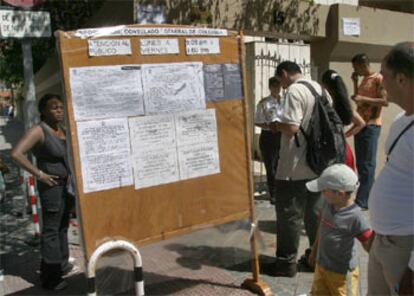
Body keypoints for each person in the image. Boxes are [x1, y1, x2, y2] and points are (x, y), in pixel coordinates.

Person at [264, 61, 324, 277]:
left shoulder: (295, 91)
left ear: (284, 74)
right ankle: (316, 259)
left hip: (294, 165)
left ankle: (286, 264)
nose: (281, 85)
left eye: (280, 81)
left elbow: (291, 127)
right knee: (315, 214)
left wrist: (273, 126)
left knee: (289, 216)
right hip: (317, 164)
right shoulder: (318, 89)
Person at [11, 94, 75, 290]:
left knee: (63, 227)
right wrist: (40, 174)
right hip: (52, 189)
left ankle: (61, 266)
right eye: (54, 107)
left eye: (61, 107)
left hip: (66, 187)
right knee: (51, 232)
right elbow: (16, 154)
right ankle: (50, 278)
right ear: (44, 111)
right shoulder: (39, 131)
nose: (59, 111)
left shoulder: (60, 129)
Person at [367, 42, 414, 296]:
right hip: (383, 240)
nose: (380, 80)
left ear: (402, 79)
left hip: (405, 248)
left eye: (383, 73)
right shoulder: (401, 120)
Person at [306, 164, 373, 295]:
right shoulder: (328, 204)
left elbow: (368, 243)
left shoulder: (355, 217)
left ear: (340, 194)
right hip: (322, 266)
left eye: (324, 190)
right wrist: (314, 251)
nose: (322, 193)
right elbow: (322, 228)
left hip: (342, 274)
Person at [351, 54, 388, 209]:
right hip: (361, 123)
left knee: (367, 164)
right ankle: (368, 198)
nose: (355, 70)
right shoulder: (364, 80)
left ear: (362, 65)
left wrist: (364, 100)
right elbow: (358, 99)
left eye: (355, 67)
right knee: (361, 163)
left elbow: (385, 101)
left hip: (372, 124)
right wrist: (355, 83)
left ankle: (362, 200)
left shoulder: (378, 79)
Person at [321, 69, 366, 170]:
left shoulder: (326, 104)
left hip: (329, 149)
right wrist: (344, 135)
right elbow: (361, 123)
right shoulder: (345, 104)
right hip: (344, 148)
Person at [254, 76, 283, 204]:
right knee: (270, 167)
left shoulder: (285, 101)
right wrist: (268, 126)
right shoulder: (264, 103)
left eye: (279, 86)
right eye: (274, 86)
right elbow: (257, 121)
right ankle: (274, 194)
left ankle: (282, 191)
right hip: (268, 136)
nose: (277, 89)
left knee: (281, 166)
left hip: (282, 135)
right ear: (270, 87)